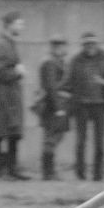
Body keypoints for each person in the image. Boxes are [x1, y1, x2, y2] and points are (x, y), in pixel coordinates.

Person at [59, 32, 104, 181]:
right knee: (81, 140)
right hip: (81, 105)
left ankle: (98, 173)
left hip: (100, 104)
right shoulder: (75, 60)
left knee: (100, 141)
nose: (90, 47)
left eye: (92, 43)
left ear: (97, 44)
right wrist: (67, 96)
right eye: (87, 44)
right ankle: (80, 173)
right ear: (83, 45)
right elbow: (67, 82)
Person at [0, 10, 29, 180]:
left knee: (13, 131)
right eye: (19, 23)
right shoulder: (3, 45)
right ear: (10, 25)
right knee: (1, 131)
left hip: (11, 94)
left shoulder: (10, 44)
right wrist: (17, 73)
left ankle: (12, 169)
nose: (22, 27)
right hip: (3, 96)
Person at [35, 34, 70, 180]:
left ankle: (49, 170)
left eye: (62, 46)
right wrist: (58, 108)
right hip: (51, 106)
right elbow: (51, 87)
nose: (61, 49)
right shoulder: (49, 63)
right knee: (50, 138)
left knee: (56, 136)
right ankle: (48, 171)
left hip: (57, 103)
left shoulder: (59, 62)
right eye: (58, 46)